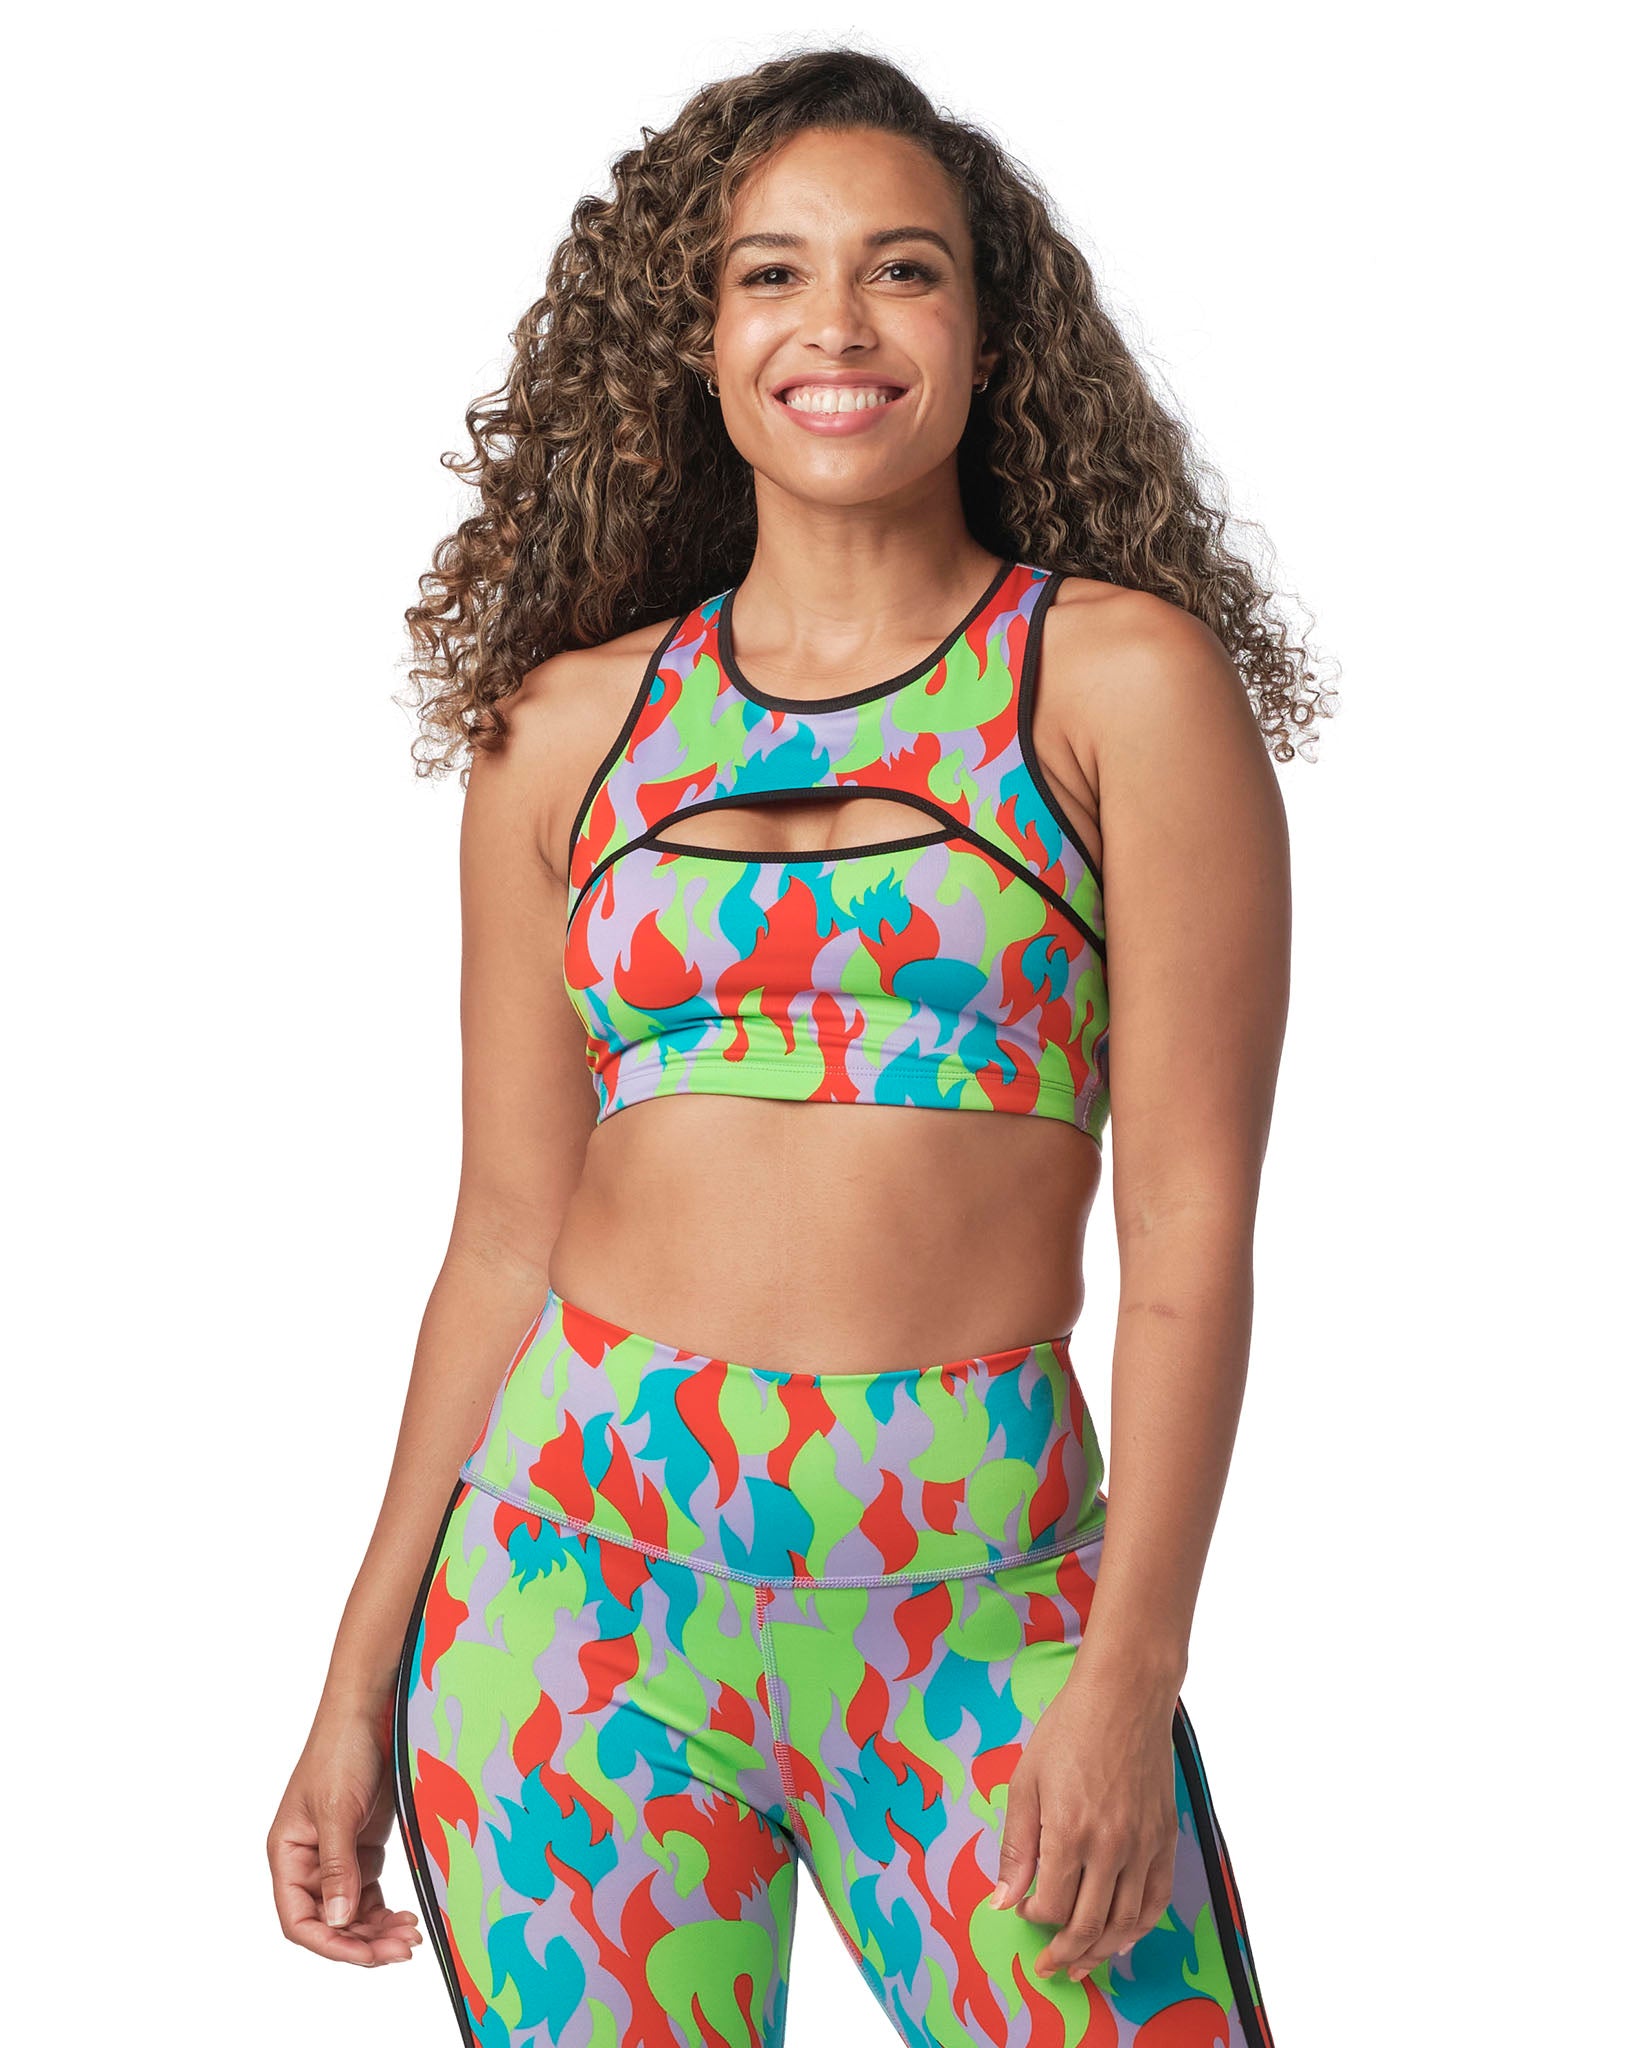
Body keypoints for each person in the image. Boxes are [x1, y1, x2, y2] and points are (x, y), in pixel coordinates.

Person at [267, 45, 1325, 2048]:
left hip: (981, 1609)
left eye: (901, 269)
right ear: (697, 335)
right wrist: (353, 1681)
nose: (835, 323)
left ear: (989, 333)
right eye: (772, 273)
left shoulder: (1117, 685)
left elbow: (1191, 1228)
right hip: (571, 1609)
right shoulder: (567, 731)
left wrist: (1127, 1674)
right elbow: (500, 1234)